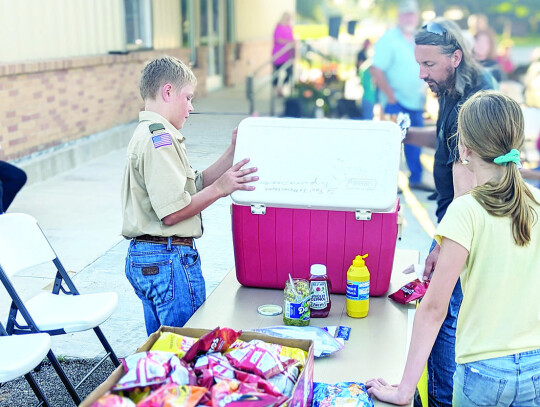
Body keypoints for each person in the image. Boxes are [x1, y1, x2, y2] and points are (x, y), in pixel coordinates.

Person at [367, 90, 540, 406]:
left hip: (483, 369)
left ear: (464, 149)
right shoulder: (536, 201)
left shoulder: (466, 211)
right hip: (535, 367)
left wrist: (405, 391)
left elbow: (434, 308)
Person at [398, 18, 497, 406]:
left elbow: (466, 180)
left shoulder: (475, 99)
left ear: (455, 57)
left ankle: (441, 400)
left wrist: (445, 242)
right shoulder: (450, 89)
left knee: (443, 316)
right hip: (456, 219)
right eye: (418, 64)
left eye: (429, 65)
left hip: (466, 223)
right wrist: (403, 134)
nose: (421, 74)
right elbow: (442, 142)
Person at [121, 56, 258, 336]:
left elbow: (192, 185)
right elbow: (172, 213)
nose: (191, 107)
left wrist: (232, 151)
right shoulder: (158, 139)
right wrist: (221, 188)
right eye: (188, 98)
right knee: (187, 348)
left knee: (165, 352)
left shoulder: (152, 133)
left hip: (153, 258)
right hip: (168, 258)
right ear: (168, 91)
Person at [370, 0, 430, 191]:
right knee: (392, 144)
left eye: (412, 14)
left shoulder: (418, 38)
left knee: (416, 141)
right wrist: (390, 96)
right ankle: (389, 184)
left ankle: (416, 178)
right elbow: (376, 69)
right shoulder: (389, 39)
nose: (409, 18)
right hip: (394, 102)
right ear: (399, 16)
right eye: (405, 14)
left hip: (416, 102)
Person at [272, 12, 295, 97]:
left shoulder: (289, 27)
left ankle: (281, 87)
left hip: (287, 55)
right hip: (279, 54)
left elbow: (292, 39)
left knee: (289, 73)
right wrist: (288, 42)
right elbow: (278, 39)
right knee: (277, 73)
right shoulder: (279, 26)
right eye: (287, 18)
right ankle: (277, 89)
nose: (288, 19)